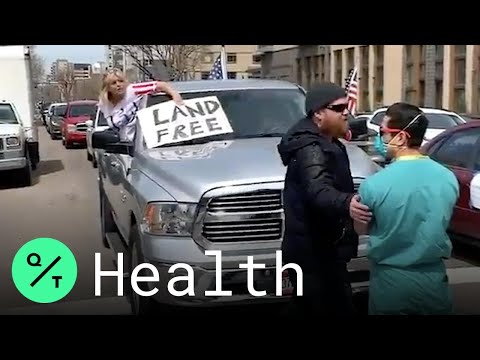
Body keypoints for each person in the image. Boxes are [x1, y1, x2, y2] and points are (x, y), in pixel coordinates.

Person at [354, 102, 460, 315]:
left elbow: (361, 229)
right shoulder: (448, 179)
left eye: (383, 133)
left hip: (390, 284)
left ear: (401, 137)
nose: (380, 139)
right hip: (433, 282)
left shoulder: (374, 185)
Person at [277, 82, 372, 316]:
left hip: (323, 250)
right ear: (318, 113)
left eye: (346, 106)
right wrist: (347, 202)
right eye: (338, 108)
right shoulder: (311, 148)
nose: (346, 112)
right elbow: (317, 189)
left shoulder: (327, 143)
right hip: (313, 255)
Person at [98, 68, 184, 142]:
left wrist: (174, 94)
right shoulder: (105, 104)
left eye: (121, 81)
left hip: (144, 141)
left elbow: (160, 85)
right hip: (124, 145)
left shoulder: (133, 90)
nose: (118, 85)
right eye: (113, 83)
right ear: (107, 87)